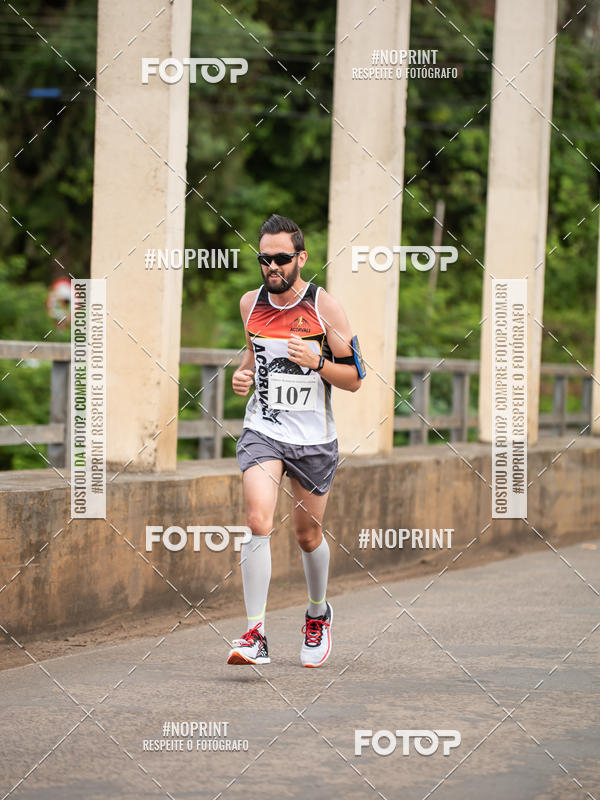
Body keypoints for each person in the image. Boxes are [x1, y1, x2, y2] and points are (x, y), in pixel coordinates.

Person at [226, 213, 364, 668]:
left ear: (300, 258)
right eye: (265, 259)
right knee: (257, 520)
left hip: (313, 440)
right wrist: (242, 376)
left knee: (307, 536)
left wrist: (318, 362)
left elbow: (356, 378)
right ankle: (255, 634)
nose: (272, 268)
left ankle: (318, 613)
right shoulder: (249, 303)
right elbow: (251, 359)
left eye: (281, 259)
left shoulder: (326, 308)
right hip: (263, 430)